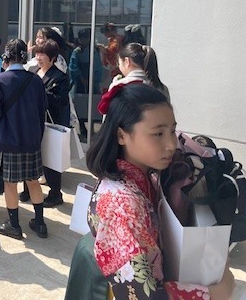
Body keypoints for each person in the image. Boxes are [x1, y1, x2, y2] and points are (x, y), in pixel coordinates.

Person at [84, 82, 234, 299]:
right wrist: (214, 293)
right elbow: (143, 295)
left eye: (172, 131)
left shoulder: (145, 177)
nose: (171, 144)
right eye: (158, 134)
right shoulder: (122, 206)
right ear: (121, 136)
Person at [0, 39, 49, 239]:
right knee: (33, 181)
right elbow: (42, 109)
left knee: (10, 184)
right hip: (31, 140)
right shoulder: (36, 80)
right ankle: (40, 223)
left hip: (7, 140)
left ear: (6, 57)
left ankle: (14, 225)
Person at [34, 40, 71, 208]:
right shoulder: (34, 73)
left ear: (53, 57)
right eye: (37, 53)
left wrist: (42, 94)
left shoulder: (60, 77)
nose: (38, 57)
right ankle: (29, 189)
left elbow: (61, 101)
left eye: (42, 54)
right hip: (34, 121)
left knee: (51, 159)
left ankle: (55, 193)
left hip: (52, 122)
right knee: (34, 156)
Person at [68, 28, 102, 95]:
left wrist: (91, 79)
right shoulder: (76, 51)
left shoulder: (94, 51)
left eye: (85, 38)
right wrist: (81, 77)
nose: (83, 40)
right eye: (81, 38)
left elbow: (97, 67)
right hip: (79, 80)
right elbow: (73, 67)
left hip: (92, 79)